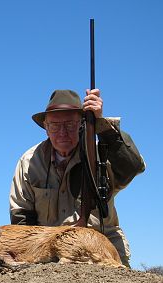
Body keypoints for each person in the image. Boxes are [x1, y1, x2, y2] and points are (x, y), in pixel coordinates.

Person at [9, 89, 145, 267]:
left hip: (104, 248)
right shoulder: (29, 161)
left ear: (82, 124)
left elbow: (133, 167)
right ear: (46, 128)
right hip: (52, 251)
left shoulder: (101, 153)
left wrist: (102, 126)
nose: (62, 133)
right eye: (55, 126)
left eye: (70, 125)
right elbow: (21, 215)